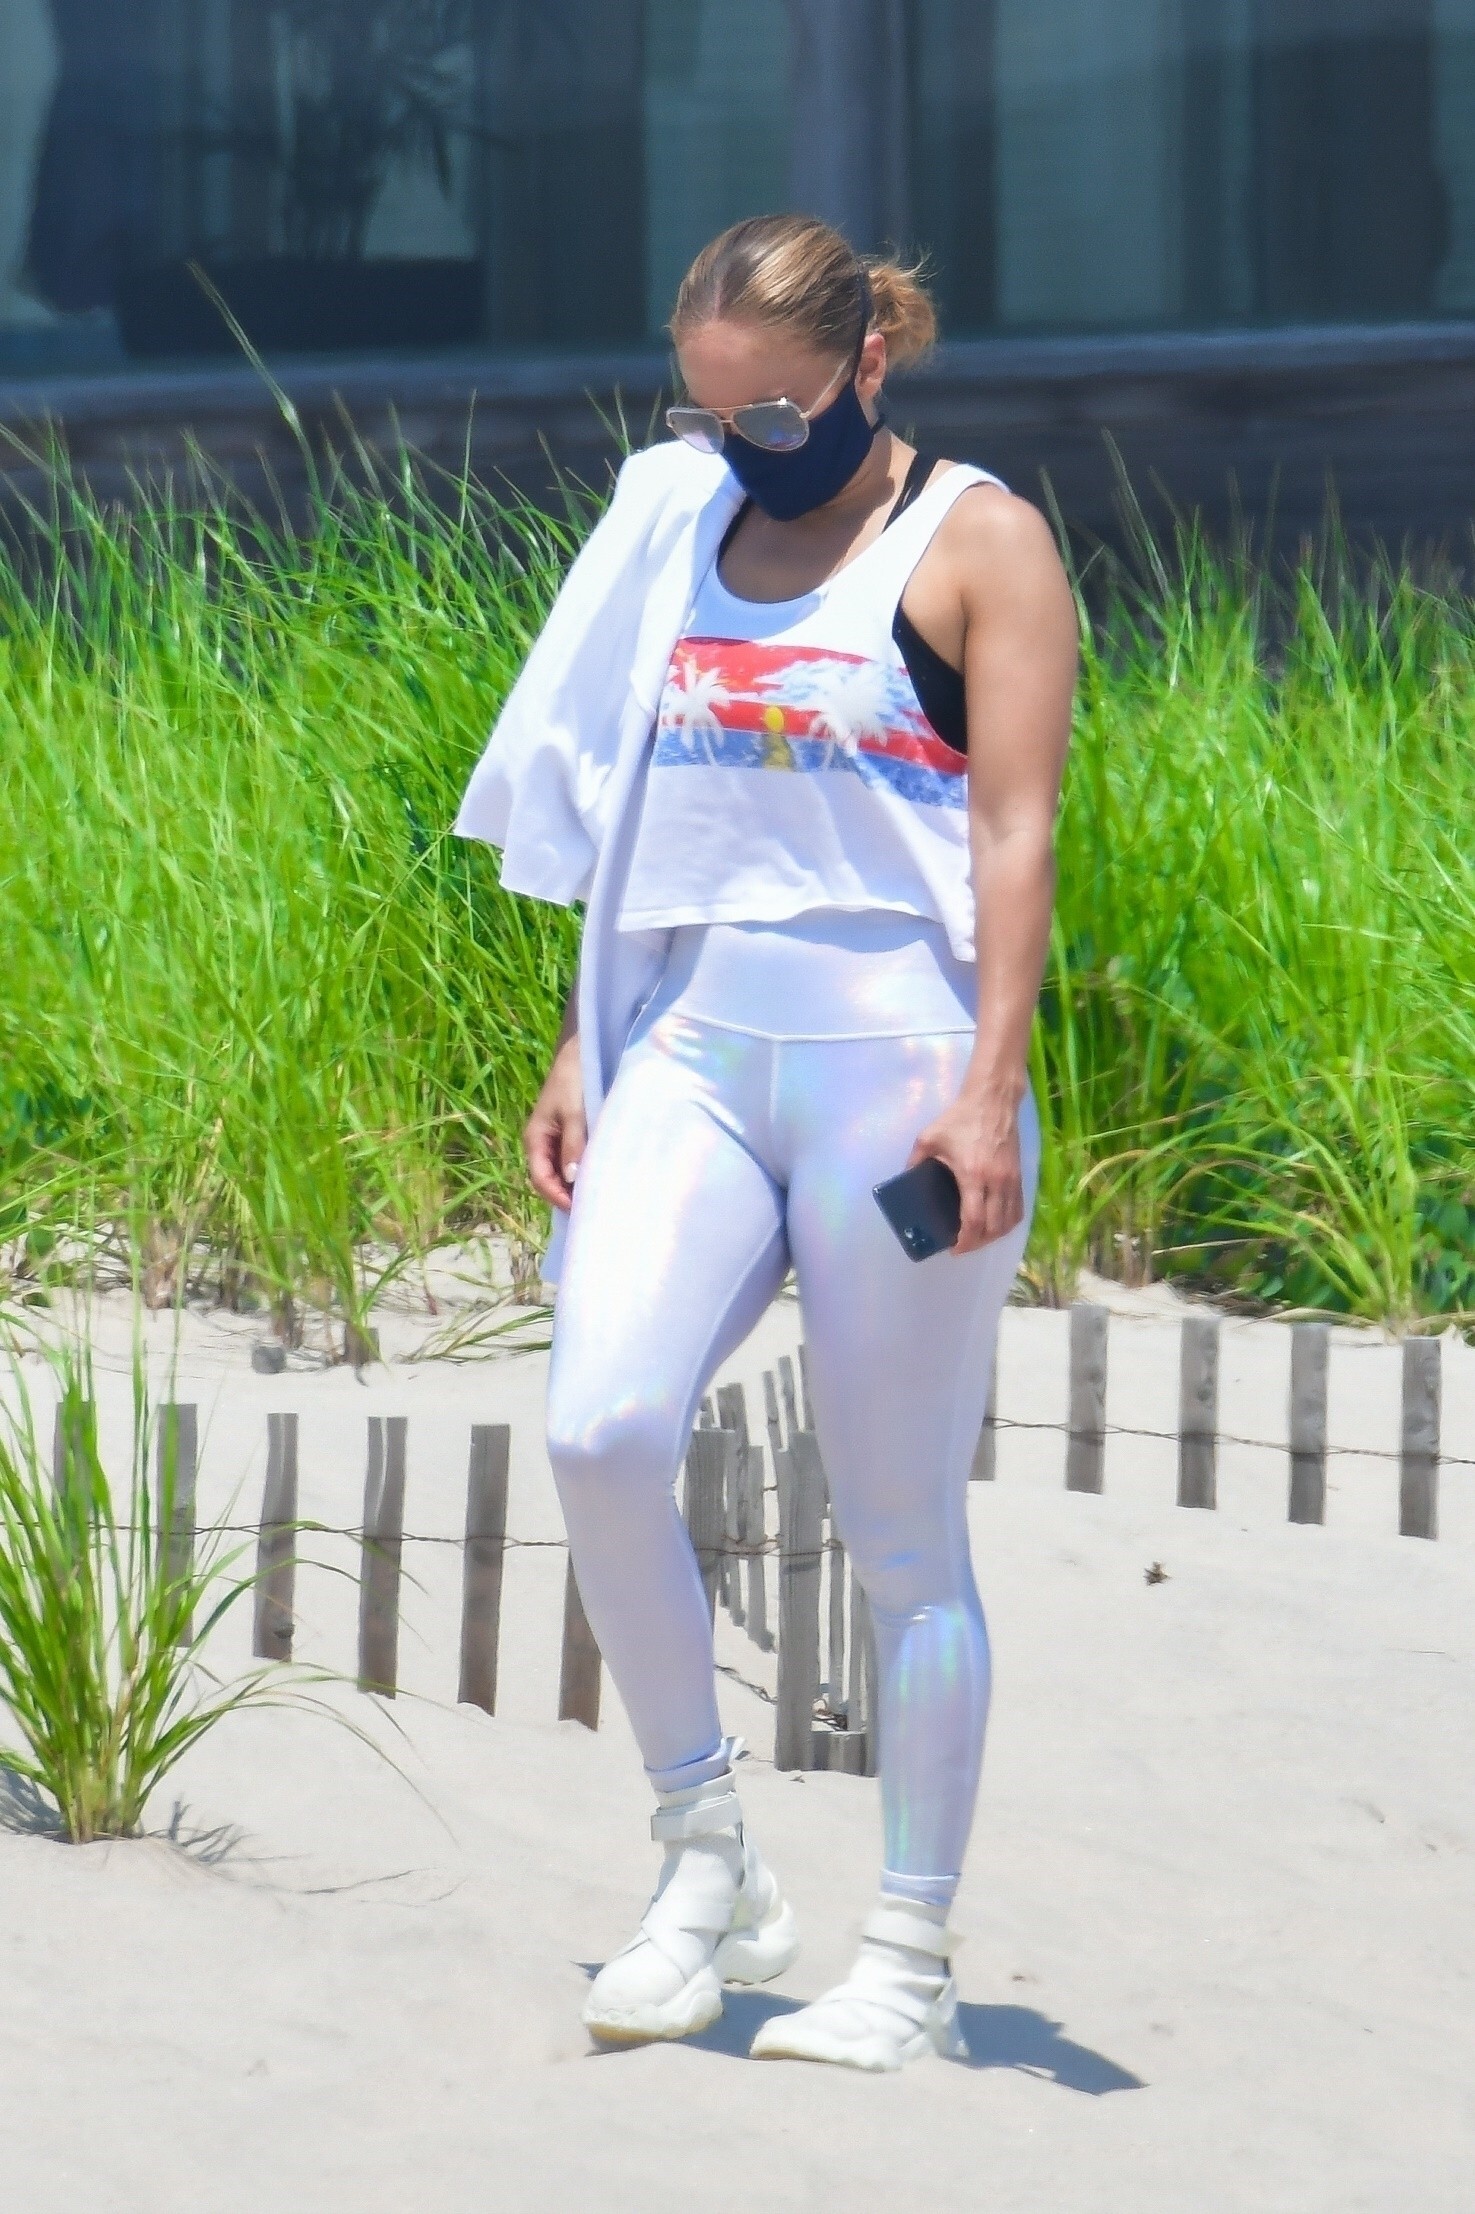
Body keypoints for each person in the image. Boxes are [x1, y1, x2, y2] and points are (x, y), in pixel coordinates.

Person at [455, 213, 1077, 2072]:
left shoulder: (979, 541)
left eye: (779, 412)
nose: (743, 446)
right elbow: (654, 816)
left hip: (901, 1060)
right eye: (710, 413)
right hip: (701, 1041)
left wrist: (989, 1086)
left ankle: (909, 1952)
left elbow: (1017, 834)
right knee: (599, 1425)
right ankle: (705, 1854)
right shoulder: (679, 527)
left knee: (898, 1527)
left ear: (870, 362)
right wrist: (586, 1042)